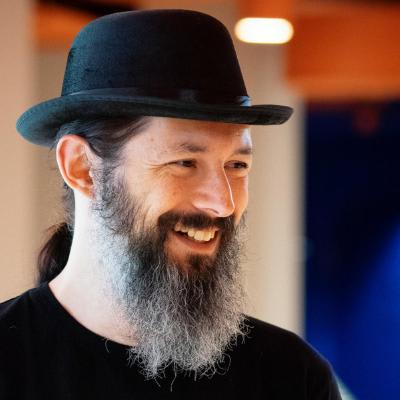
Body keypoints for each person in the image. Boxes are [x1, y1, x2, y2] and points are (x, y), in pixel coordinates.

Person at [0, 9, 342, 399]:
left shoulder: (294, 378)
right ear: (82, 168)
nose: (223, 203)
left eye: (237, 165)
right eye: (184, 162)